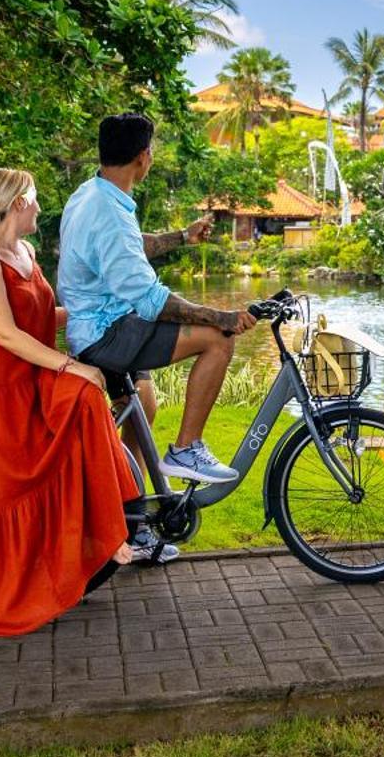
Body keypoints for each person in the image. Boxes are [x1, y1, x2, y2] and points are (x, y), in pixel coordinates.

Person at [0, 168, 141, 637]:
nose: (39, 206)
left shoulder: (26, 253)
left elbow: (37, 315)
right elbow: (5, 332)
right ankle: (108, 534)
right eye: (33, 199)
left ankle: (109, 527)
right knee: (86, 389)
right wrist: (71, 366)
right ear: (16, 204)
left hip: (29, 381)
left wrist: (108, 311)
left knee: (89, 403)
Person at [59, 112, 256, 488]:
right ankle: (186, 449)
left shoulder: (92, 194)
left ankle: (130, 515)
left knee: (143, 408)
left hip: (98, 327)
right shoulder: (110, 214)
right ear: (143, 157)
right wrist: (220, 317)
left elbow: (130, 248)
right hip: (107, 334)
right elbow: (150, 301)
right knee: (218, 341)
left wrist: (182, 236)